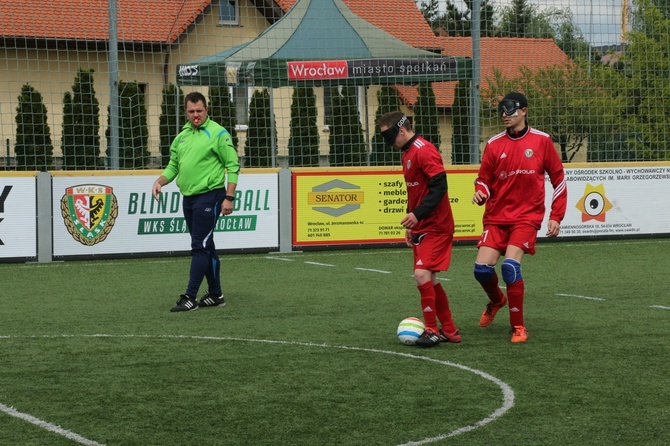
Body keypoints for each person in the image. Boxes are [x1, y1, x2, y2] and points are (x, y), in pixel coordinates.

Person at [472, 92, 567, 342]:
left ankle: (518, 326)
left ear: (524, 111)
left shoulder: (542, 141)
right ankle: (496, 300)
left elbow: (559, 180)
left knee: (510, 267)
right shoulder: (494, 144)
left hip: (526, 217)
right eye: (501, 110)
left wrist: (556, 215)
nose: (505, 115)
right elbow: (483, 179)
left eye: (510, 109)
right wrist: (481, 192)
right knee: (481, 270)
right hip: (496, 216)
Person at [152, 91, 240, 312]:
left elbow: (233, 166)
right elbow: (174, 166)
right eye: (191, 111)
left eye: (199, 110)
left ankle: (190, 297)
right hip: (189, 199)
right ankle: (216, 294)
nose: (195, 115)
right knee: (206, 246)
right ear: (186, 112)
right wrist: (160, 181)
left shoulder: (218, 133)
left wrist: (229, 197)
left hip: (210, 196)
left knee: (199, 246)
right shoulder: (182, 136)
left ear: (206, 110)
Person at [379, 111, 461, 348]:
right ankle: (450, 331)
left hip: (437, 225)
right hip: (423, 224)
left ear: (402, 130)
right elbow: (416, 191)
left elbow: (439, 187)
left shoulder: (424, 150)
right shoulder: (407, 153)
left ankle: (432, 330)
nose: (389, 143)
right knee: (431, 279)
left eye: (389, 137)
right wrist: (411, 218)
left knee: (421, 274)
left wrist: (417, 214)